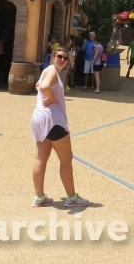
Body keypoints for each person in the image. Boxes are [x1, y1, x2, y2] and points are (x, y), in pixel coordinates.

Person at [30, 48, 89, 208]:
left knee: (41, 157)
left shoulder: (47, 71)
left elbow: (39, 85)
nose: (62, 60)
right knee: (66, 158)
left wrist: (43, 91)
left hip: (40, 118)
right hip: (52, 120)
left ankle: (39, 197)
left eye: (65, 58)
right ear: (53, 57)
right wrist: (50, 97)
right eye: (59, 56)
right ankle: (71, 197)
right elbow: (44, 87)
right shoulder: (52, 72)